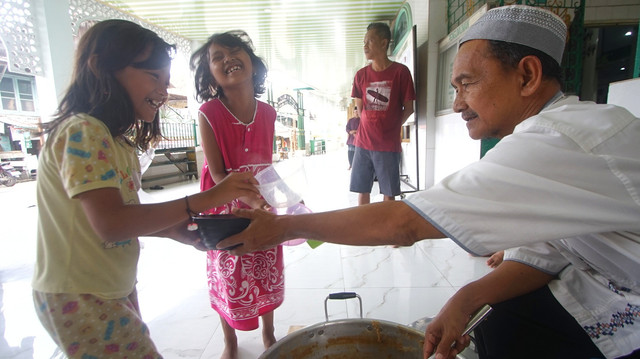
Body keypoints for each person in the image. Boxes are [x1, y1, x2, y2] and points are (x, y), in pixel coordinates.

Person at [217, 5, 640, 359]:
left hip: (625, 304)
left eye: (466, 84)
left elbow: (405, 222)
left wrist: (286, 228)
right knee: (494, 325)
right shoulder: (557, 131)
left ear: (527, 76)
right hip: (597, 285)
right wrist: (466, 299)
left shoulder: (559, 139)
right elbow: (542, 255)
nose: (456, 104)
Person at [31, 20, 260, 359]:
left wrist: (169, 230)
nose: (164, 91)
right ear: (101, 68)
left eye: (166, 81)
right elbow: (111, 222)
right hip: (78, 292)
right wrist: (207, 198)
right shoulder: (82, 131)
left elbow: (119, 218)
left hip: (108, 286)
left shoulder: (115, 141)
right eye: (154, 77)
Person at [189, 30, 283, 359]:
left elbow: (265, 165)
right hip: (222, 203)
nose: (228, 59)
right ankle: (230, 340)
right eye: (218, 57)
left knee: (266, 260)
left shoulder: (269, 113)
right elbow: (217, 174)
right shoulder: (208, 112)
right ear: (211, 75)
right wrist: (248, 199)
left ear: (253, 65)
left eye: (235, 51)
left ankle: (269, 333)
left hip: (259, 197)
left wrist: (281, 198)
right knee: (229, 271)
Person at [350, 22, 415, 205]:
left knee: (389, 192)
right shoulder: (361, 75)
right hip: (363, 143)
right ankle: (363, 227)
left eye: (369, 41)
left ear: (384, 43)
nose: (365, 46)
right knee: (362, 190)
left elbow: (409, 108)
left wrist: (391, 126)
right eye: (364, 42)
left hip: (388, 144)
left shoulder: (401, 72)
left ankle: (385, 229)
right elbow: (360, 109)